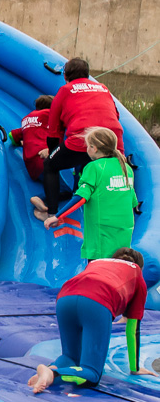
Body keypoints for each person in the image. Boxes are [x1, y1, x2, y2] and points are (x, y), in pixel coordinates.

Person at [29, 247, 150, 392]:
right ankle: (53, 374)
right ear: (139, 266)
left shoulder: (98, 262)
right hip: (97, 302)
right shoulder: (137, 274)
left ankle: (50, 369)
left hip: (64, 298)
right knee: (92, 374)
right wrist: (135, 368)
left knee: (70, 356)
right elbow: (132, 329)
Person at [35, 58, 124, 218]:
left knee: (50, 165)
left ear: (65, 76)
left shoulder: (65, 90)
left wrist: (53, 151)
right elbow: (115, 116)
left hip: (84, 140)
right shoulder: (103, 88)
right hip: (113, 141)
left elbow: (54, 130)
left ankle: (51, 213)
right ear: (88, 75)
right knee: (89, 159)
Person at [48, 127, 139, 261]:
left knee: (99, 271)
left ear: (94, 148)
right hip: (124, 232)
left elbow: (81, 198)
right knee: (118, 268)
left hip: (102, 234)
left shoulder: (94, 167)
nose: (86, 150)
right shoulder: (126, 168)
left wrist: (57, 216)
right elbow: (132, 202)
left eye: (87, 146)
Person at [9, 94, 57, 184]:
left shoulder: (26, 119)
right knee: (67, 191)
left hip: (32, 168)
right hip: (45, 158)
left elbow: (12, 136)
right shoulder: (48, 113)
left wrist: (22, 142)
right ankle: (40, 198)